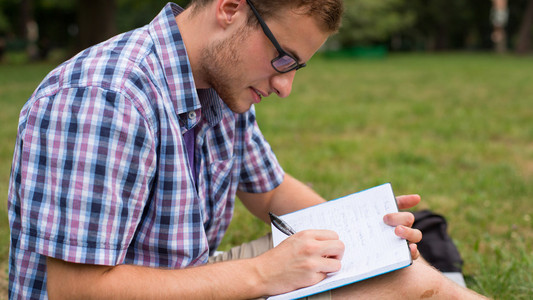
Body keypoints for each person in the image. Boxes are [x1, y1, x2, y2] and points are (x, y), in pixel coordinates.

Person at [8, 0, 486, 299]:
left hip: (187, 275)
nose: (285, 86)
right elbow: (77, 290)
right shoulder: (106, 98)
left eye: (298, 66)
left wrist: (362, 228)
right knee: (396, 287)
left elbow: (271, 191)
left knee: (396, 270)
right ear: (231, 8)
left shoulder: (221, 84)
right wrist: (263, 274)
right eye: (283, 59)